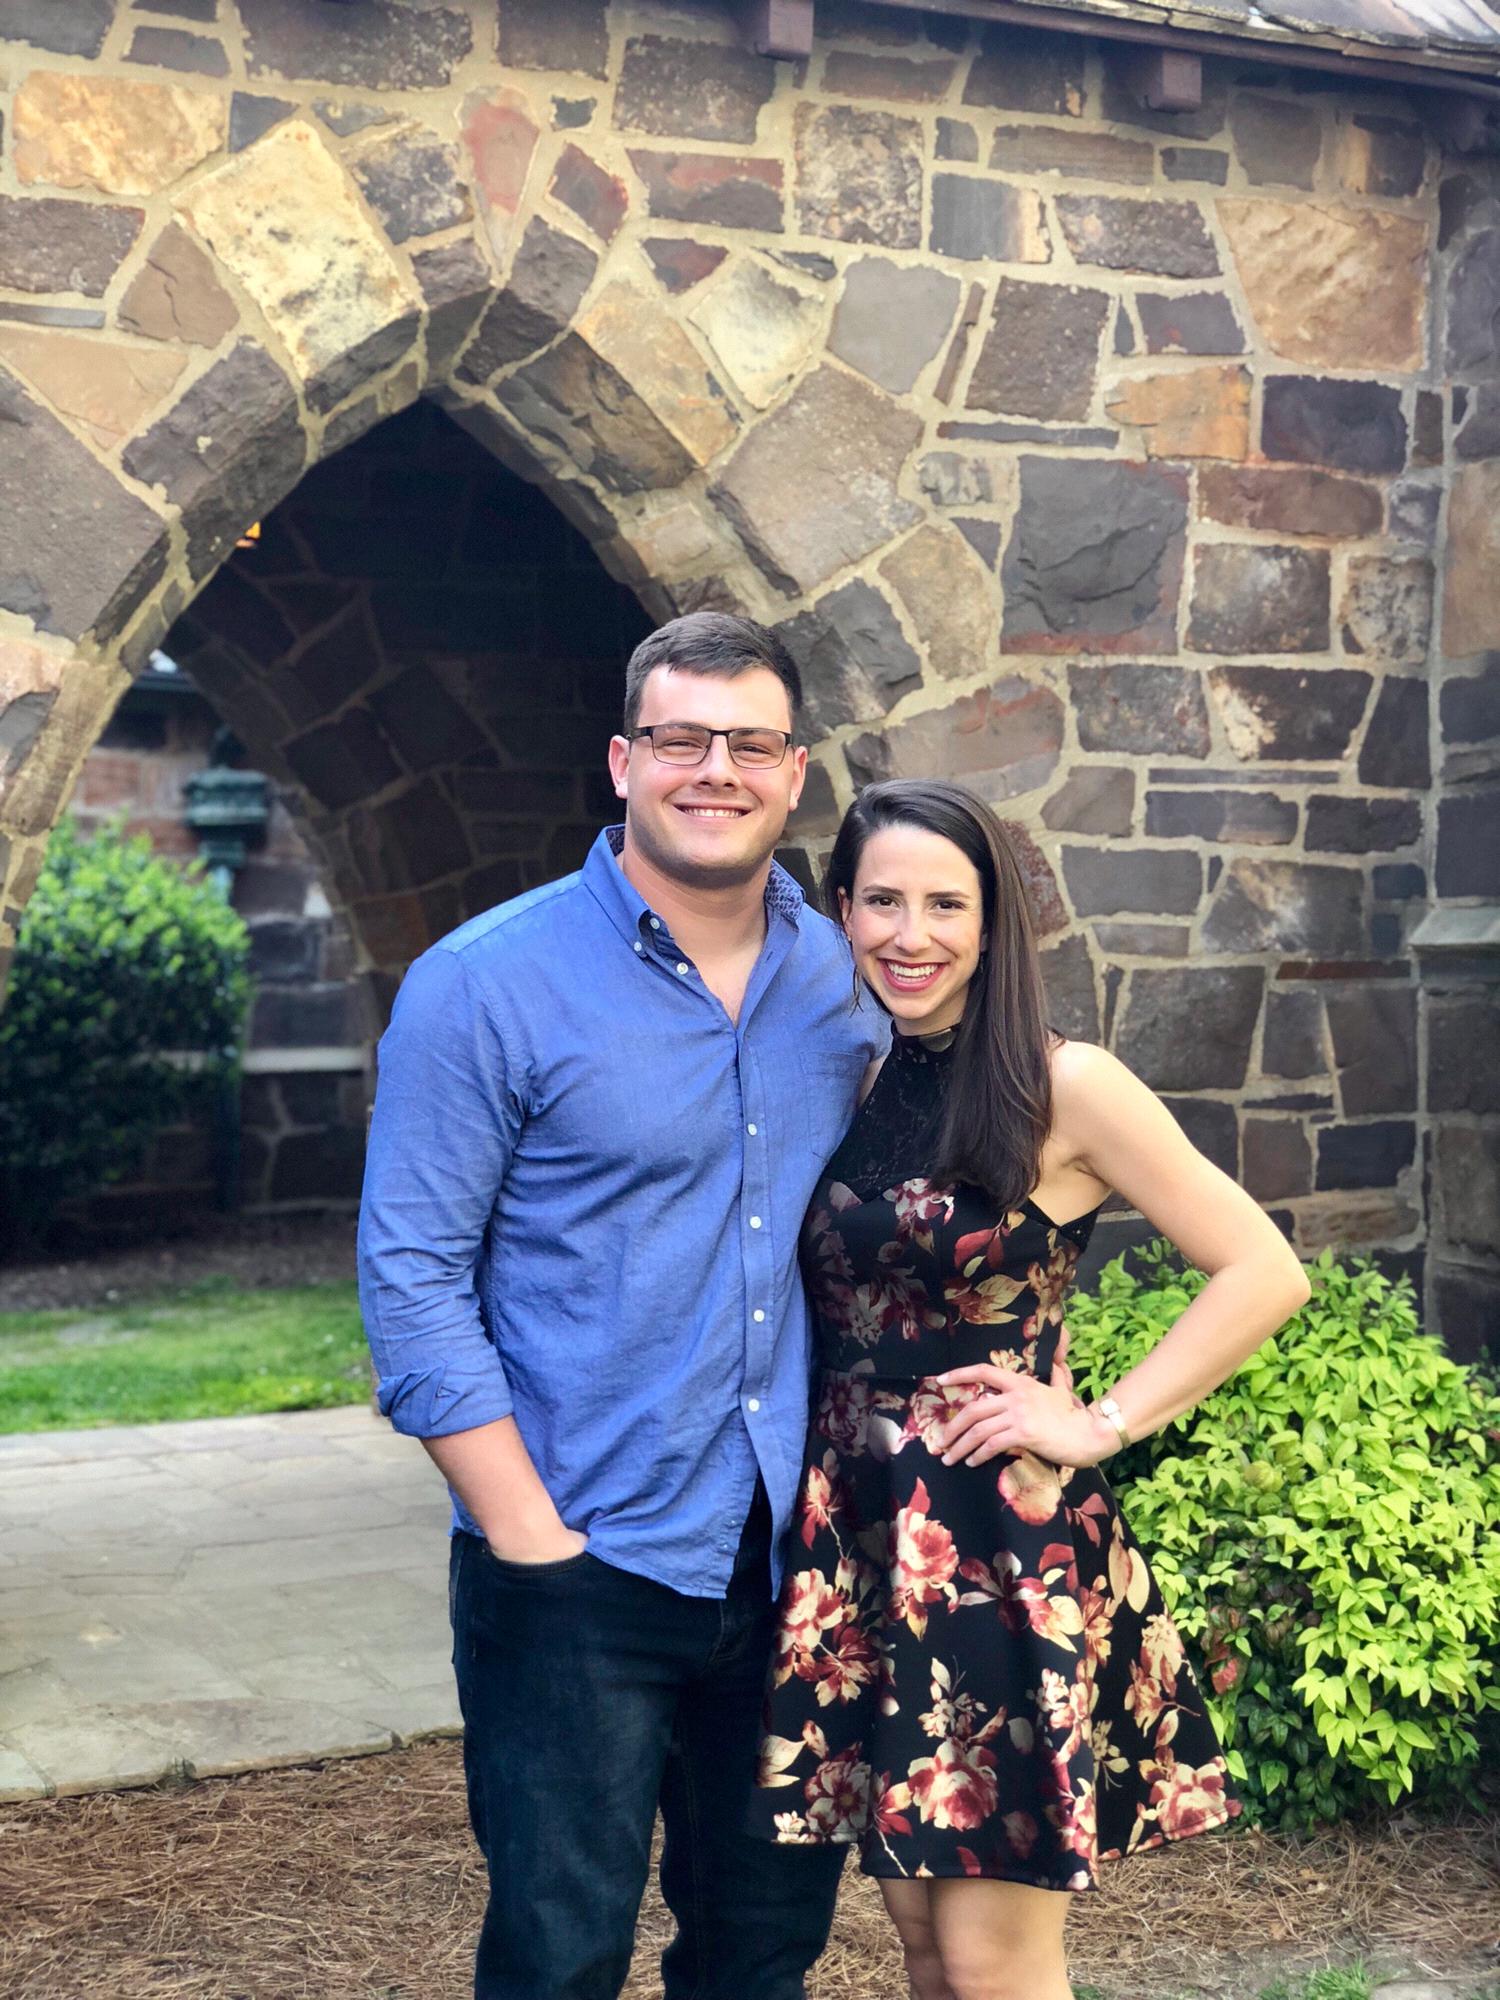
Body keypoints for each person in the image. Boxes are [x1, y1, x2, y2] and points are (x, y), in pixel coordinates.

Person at [356, 612, 889, 2000]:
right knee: (558, 1958)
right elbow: (412, 1282)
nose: (716, 769)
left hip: (791, 1564)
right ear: (622, 760)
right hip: (577, 1560)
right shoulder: (484, 984)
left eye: (751, 743)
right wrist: (529, 1540)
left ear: (795, 772)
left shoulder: (850, 984)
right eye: (681, 738)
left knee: (760, 1958)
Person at [747, 778, 1311, 2000]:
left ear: (995, 920)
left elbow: (1264, 1267)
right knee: (922, 1948)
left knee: (991, 1962)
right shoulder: (854, 1079)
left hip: (992, 1543)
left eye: (945, 903)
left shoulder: (1066, 1085)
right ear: (841, 910)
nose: (911, 933)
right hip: (860, 1541)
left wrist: (1100, 1418)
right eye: (882, 901)